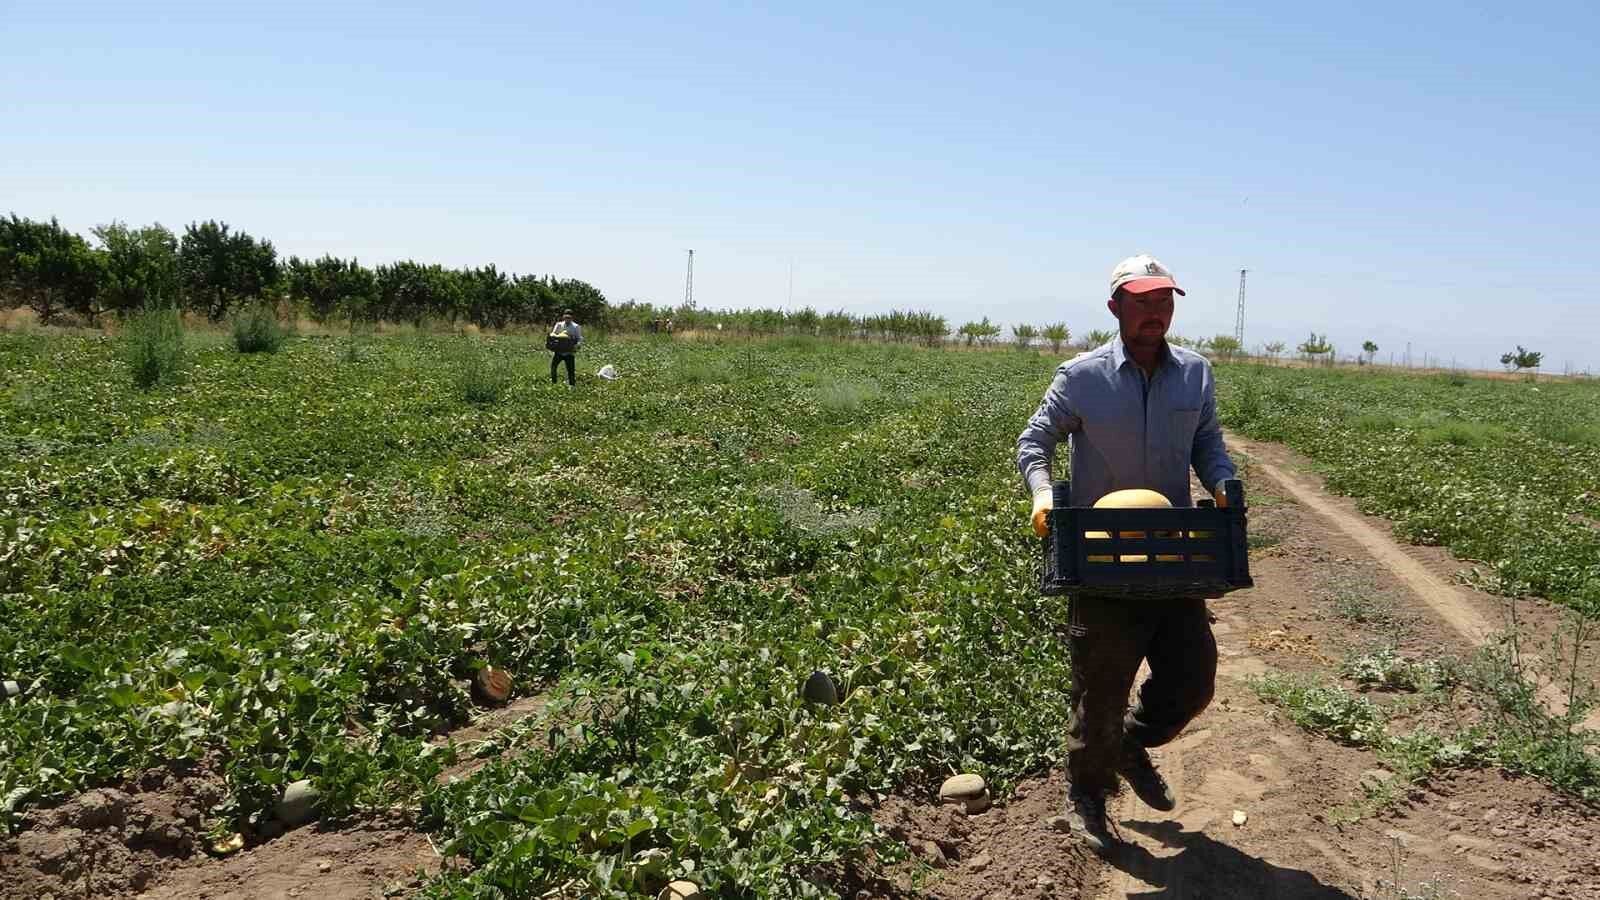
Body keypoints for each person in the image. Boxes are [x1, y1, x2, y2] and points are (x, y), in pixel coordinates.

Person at [1015, 254, 1237, 854]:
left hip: (1169, 554)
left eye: (1164, 300)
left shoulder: (1194, 373)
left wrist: (1221, 482)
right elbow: (1034, 440)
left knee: (1193, 679)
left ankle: (1131, 744)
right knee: (1100, 688)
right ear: (1115, 307)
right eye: (1141, 301)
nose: (1155, 311)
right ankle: (1086, 795)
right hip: (1101, 556)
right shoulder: (1081, 376)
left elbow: (1208, 444)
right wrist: (1042, 495)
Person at [549, 310, 581, 386]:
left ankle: (572, 386)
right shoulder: (559, 325)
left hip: (569, 352)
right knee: (553, 367)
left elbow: (579, 338)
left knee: (571, 370)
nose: (567, 319)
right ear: (563, 316)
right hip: (559, 351)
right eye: (566, 317)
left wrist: (577, 346)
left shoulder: (576, 327)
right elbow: (553, 334)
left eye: (569, 317)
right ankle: (554, 383)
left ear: (572, 318)